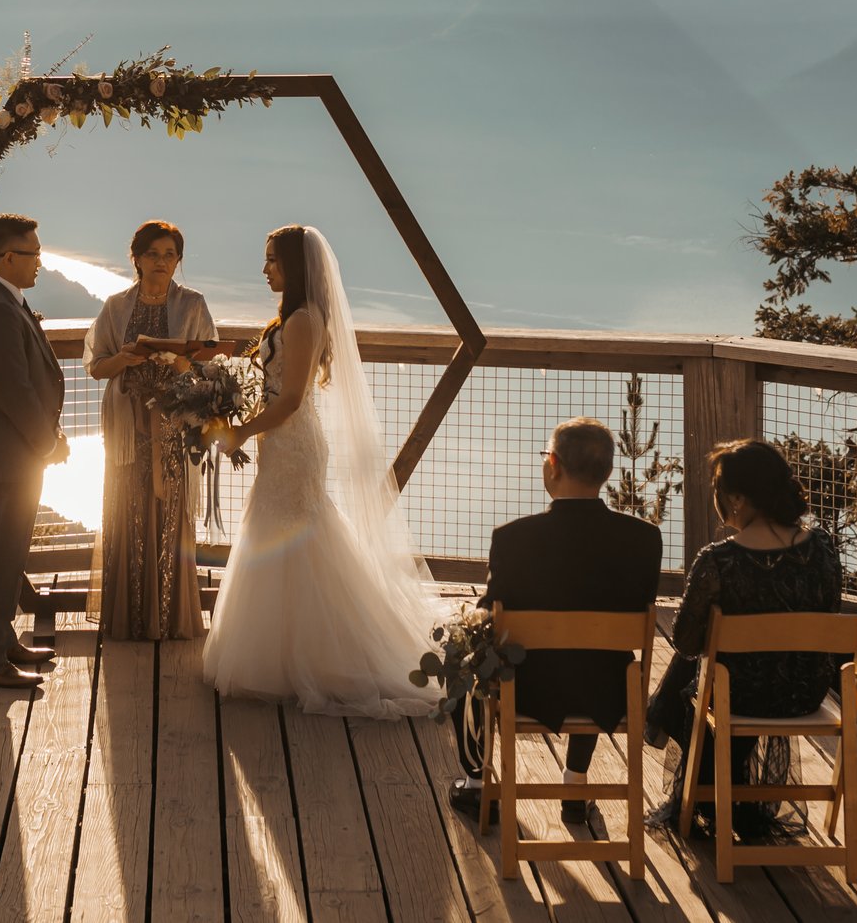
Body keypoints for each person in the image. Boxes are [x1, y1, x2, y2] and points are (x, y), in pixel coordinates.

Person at [200, 225, 438, 718]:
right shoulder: (294, 316)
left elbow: (290, 400)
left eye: (272, 260)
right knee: (282, 534)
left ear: (294, 266)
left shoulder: (304, 320)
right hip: (281, 443)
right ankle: (285, 653)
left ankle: (319, 657)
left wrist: (241, 433)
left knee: (296, 534)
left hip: (294, 444)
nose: (265, 269)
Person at [447, 418, 664, 829]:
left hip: (528, 690)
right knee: (594, 650)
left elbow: (489, 616)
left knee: (461, 648)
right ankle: (575, 784)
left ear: (553, 465)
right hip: (609, 691)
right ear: (606, 471)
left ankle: (478, 786)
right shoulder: (644, 539)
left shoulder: (513, 538)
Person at [645, 439, 841, 841]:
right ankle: (664, 719)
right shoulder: (822, 547)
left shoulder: (719, 560)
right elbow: (830, 609)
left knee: (699, 665)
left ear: (736, 499)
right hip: (804, 692)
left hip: (741, 697)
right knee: (714, 663)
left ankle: (661, 721)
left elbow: (685, 642)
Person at [84, 219, 217, 641]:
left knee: (170, 511)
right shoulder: (115, 306)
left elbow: (211, 368)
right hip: (127, 426)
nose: (162, 262)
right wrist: (123, 359)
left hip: (174, 426)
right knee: (127, 510)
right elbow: (96, 367)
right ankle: (129, 617)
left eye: (170, 255)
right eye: (153, 254)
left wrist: (181, 365)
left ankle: (168, 617)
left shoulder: (193, 304)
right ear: (137, 259)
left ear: (178, 261)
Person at [0, 212, 69, 694]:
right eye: (34, 253)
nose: (41, 261)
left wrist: (49, 438)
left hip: (13, 451)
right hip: (6, 452)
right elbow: (15, 392)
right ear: (8, 257)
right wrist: (48, 443)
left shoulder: (1, 299)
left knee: (9, 551)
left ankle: (1, 641)